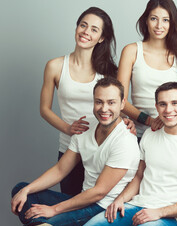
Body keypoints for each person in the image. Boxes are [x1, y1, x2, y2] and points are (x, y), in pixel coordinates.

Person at [68, 82, 177, 226]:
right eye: (163, 104)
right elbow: (138, 176)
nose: (168, 110)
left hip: (169, 217)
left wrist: (159, 212)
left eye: (175, 103)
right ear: (156, 107)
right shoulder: (150, 134)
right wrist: (120, 199)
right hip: (136, 205)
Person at [11, 77, 140, 226]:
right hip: (83, 200)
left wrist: (54, 210)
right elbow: (60, 170)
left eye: (111, 102)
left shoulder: (125, 141)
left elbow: (99, 192)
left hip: (104, 209)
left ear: (122, 104)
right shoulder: (85, 128)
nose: (104, 108)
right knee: (21, 191)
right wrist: (27, 190)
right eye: (99, 102)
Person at [39, 7, 118, 196]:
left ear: (101, 38)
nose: (86, 32)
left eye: (94, 29)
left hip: (102, 148)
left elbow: (116, 108)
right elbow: (44, 109)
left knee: (95, 209)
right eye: (83, 25)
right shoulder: (55, 66)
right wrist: (67, 128)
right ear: (76, 28)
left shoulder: (108, 71)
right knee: (69, 206)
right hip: (69, 148)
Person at [117, 0, 177, 139]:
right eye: (154, 19)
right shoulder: (131, 51)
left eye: (165, 20)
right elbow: (120, 99)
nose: (159, 25)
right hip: (136, 134)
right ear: (146, 20)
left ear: (172, 23)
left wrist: (169, 119)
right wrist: (149, 120)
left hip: (170, 135)